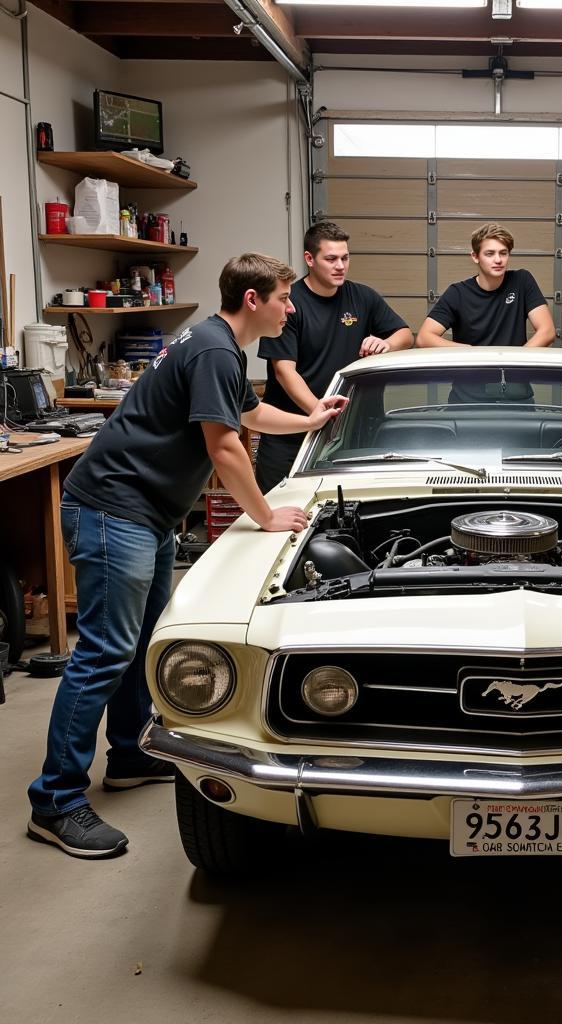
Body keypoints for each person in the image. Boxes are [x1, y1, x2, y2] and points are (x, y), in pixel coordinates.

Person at [27, 253, 348, 858]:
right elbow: (226, 448)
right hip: (112, 511)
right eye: (284, 297)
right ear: (253, 300)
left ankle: (127, 756)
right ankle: (55, 801)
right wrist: (266, 516)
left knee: (141, 642)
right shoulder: (214, 349)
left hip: (144, 514)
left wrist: (310, 420)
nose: (291, 307)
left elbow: (247, 413)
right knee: (102, 653)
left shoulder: (222, 347)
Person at [255, 222, 412, 491]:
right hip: (291, 434)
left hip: (353, 434)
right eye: (331, 259)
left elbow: (406, 335)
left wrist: (385, 343)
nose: (340, 265)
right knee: (279, 512)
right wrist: (322, 415)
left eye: (345, 258)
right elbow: (284, 371)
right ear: (309, 259)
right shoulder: (288, 303)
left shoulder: (362, 296)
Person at [416, 222, 555, 351]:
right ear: (475, 257)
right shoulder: (457, 293)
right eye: (490, 254)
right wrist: (470, 353)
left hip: (514, 371)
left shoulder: (522, 280)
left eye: (503, 253)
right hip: (473, 371)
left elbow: (547, 331)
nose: (498, 260)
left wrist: (516, 360)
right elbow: (424, 338)